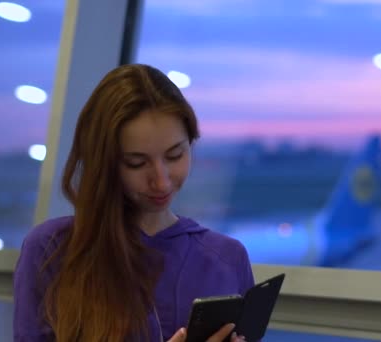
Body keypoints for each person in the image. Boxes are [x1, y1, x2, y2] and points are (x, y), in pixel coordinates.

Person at [13, 64, 254, 341]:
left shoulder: (227, 260)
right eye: (136, 163)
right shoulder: (51, 251)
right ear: (103, 164)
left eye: (175, 155)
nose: (161, 182)